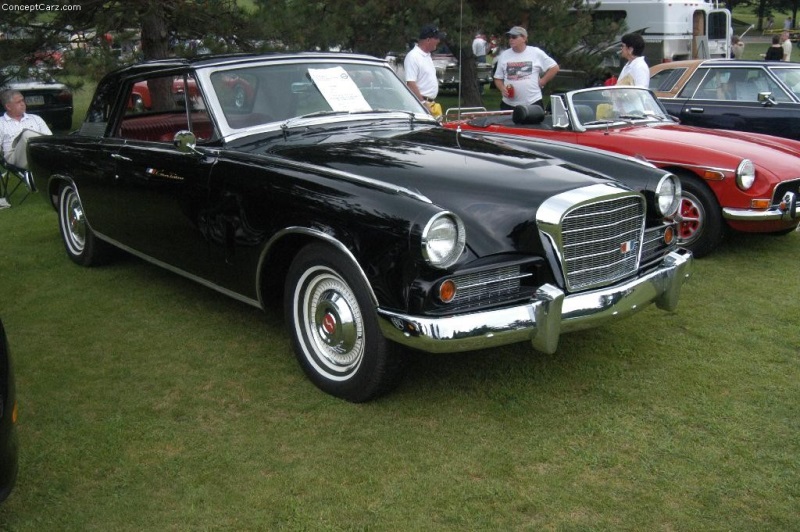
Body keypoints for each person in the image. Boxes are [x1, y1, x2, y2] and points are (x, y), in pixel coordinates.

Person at [0, 89, 52, 208]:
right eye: (18, 102)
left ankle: (32, 174)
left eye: (23, 100)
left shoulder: (35, 118)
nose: (23, 103)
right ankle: (32, 173)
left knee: (33, 137)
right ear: (8, 106)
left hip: (39, 153)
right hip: (14, 158)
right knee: (27, 135)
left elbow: (49, 140)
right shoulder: (1, 124)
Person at [493, 26, 559, 110]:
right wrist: (502, 88)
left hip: (533, 102)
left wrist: (543, 81)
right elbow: (498, 78)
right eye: (509, 37)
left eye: (514, 37)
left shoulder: (535, 52)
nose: (511, 39)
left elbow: (554, 67)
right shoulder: (504, 55)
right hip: (509, 104)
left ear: (524, 38)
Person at [404, 24, 444, 117]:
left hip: (430, 103)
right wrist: (422, 103)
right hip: (420, 105)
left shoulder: (427, 55)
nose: (438, 41)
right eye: (436, 38)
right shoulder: (413, 56)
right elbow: (410, 83)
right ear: (428, 40)